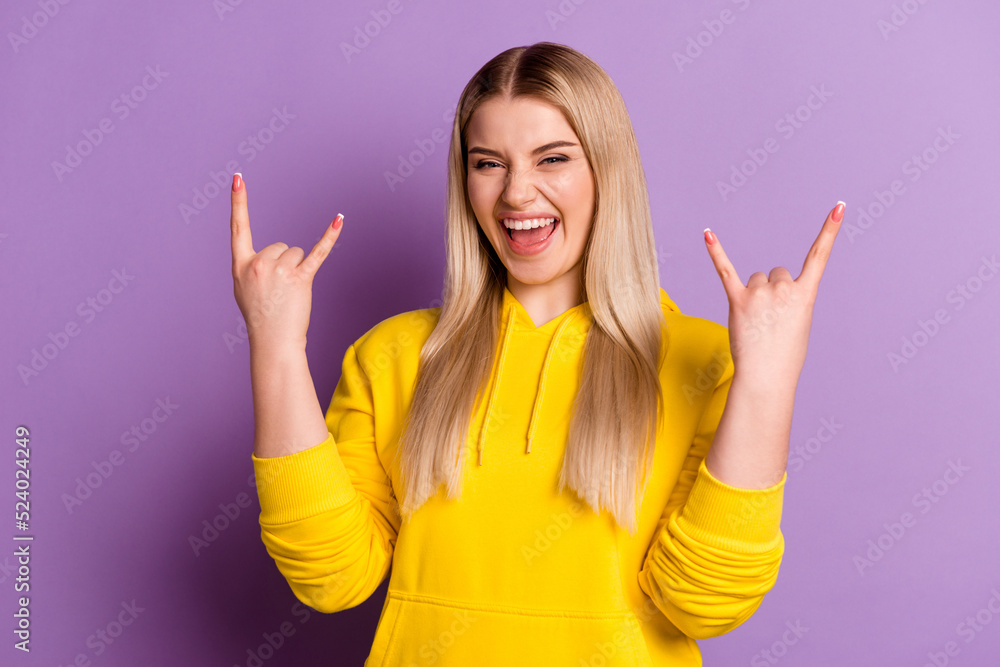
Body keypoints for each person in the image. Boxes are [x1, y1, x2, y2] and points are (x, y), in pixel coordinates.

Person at [230, 41, 844, 666]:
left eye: (552, 158)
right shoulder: (390, 357)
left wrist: (766, 382)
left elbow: (704, 603)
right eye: (488, 163)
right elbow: (332, 577)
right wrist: (275, 348)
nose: (517, 193)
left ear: (608, 170)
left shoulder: (703, 363)